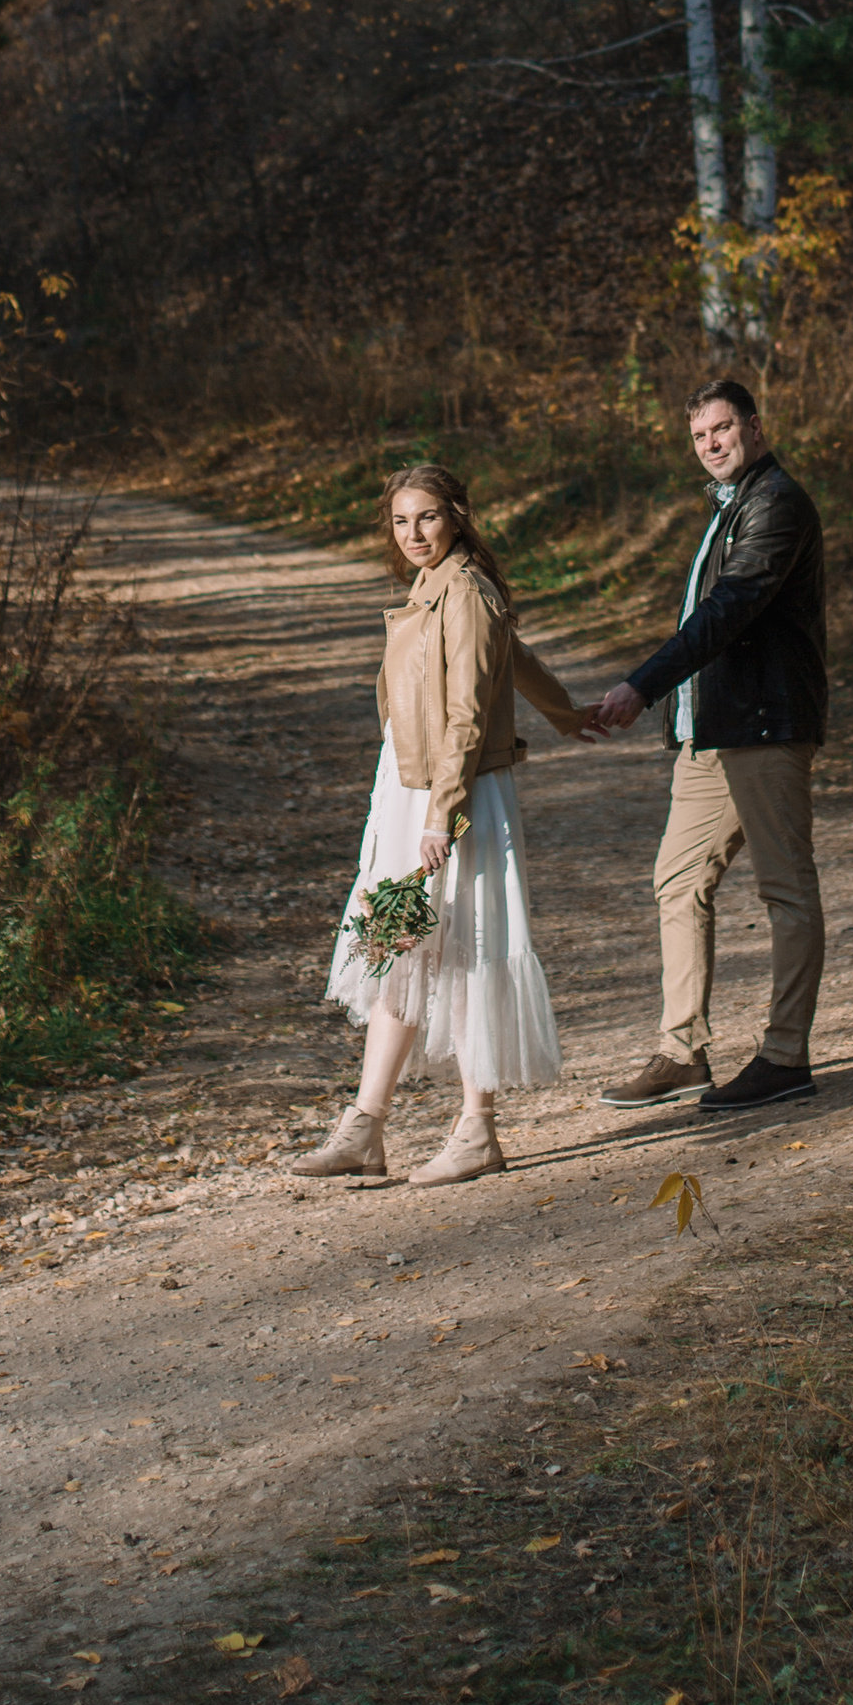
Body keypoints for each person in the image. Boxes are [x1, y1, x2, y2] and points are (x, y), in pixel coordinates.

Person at [290, 461, 583, 1186]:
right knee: (401, 940)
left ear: (456, 514)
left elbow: (469, 711)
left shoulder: (469, 591)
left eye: (426, 516)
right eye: (400, 521)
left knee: (470, 942)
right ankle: (365, 1127)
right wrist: (566, 711)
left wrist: (441, 815)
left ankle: (477, 1129)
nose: (413, 532)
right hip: (410, 787)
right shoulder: (429, 587)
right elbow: (514, 659)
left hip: (457, 796)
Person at [583, 378, 827, 1115]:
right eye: (699, 436)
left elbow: (729, 611)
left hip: (763, 723)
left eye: (722, 429)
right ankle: (682, 1050)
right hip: (711, 731)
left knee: (785, 888)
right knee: (677, 881)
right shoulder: (731, 508)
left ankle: (786, 1055)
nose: (711, 445)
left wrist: (643, 684)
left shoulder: (775, 503)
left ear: (754, 427)